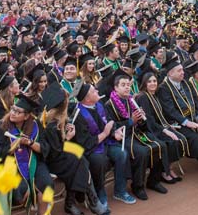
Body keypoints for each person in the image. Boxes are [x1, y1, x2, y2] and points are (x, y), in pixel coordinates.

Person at [38, 85, 107, 215]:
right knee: (78, 163)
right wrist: (68, 137)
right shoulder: (50, 125)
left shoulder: (55, 118)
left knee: (80, 159)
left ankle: (77, 202)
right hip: (51, 159)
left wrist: (66, 135)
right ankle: (87, 201)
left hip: (59, 153)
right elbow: (55, 151)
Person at [103, 70, 168, 200]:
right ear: (116, 88)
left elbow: (141, 125)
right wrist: (131, 121)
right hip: (122, 138)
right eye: (123, 85)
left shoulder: (131, 100)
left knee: (161, 145)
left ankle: (153, 181)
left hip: (137, 133)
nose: (127, 87)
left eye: (128, 84)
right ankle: (137, 186)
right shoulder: (108, 105)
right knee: (142, 153)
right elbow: (113, 127)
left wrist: (142, 119)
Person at [72, 82, 134, 206]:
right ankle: (100, 193)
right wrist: (105, 133)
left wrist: (114, 132)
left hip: (105, 142)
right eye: (94, 91)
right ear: (87, 98)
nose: (98, 92)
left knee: (122, 153)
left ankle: (120, 191)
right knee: (99, 161)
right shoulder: (78, 115)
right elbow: (85, 143)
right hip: (90, 149)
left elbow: (109, 122)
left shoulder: (99, 105)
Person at [2, 94, 53, 214]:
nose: (13, 113)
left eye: (17, 112)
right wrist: (16, 144)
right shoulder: (2, 126)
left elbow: (44, 149)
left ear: (26, 116)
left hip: (34, 161)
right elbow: (0, 152)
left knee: (46, 185)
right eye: (12, 109)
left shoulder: (36, 126)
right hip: (12, 165)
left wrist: (29, 142)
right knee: (22, 191)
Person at [135, 72, 184, 183]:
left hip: (156, 126)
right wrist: (165, 130)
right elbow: (149, 120)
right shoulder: (143, 97)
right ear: (145, 83)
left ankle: (169, 168)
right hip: (147, 130)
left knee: (177, 138)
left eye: (155, 81)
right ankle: (164, 172)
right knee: (170, 140)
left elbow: (158, 117)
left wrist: (169, 126)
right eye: (149, 81)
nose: (153, 83)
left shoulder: (154, 96)